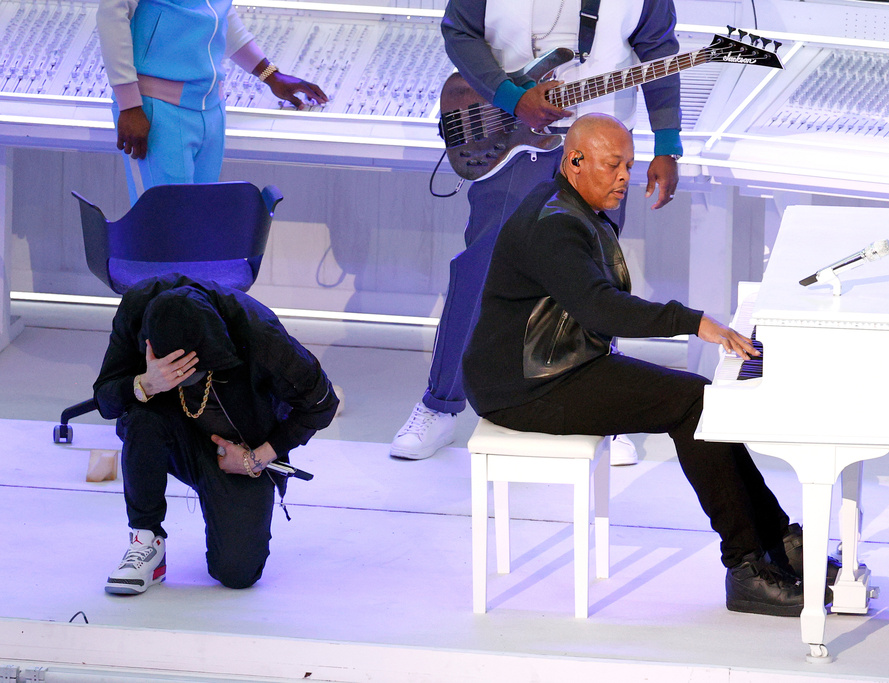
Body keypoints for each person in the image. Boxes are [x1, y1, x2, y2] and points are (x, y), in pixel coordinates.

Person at [462, 114, 833, 615]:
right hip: (525, 387)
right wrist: (695, 321)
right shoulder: (552, 226)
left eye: (629, 166)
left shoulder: (575, 208)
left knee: (700, 400)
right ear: (574, 162)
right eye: (613, 165)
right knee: (693, 403)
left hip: (560, 365)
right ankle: (747, 567)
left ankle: (776, 541)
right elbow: (602, 307)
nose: (624, 177)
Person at [390, 0, 683, 465]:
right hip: (510, 135)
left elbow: (657, 48)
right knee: (479, 272)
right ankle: (440, 406)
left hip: (600, 139)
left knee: (596, 277)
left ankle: (604, 415)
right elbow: (460, 30)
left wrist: (668, 144)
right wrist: (511, 96)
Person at [94, 275, 340, 594]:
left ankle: (230, 500)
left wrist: (257, 457)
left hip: (239, 450)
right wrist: (146, 383)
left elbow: (322, 404)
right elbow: (105, 399)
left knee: (238, 573)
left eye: (192, 373)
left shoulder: (260, 335)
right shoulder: (138, 307)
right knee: (141, 415)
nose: (185, 380)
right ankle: (146, 541)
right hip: (172, 432)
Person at [96, 0, 329, 203]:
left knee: (198, 224)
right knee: (164, 229)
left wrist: (270, 75)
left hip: (210, 108)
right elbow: (112, 13)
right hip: (156, 109)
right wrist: (129, 104)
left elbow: (219, 13)